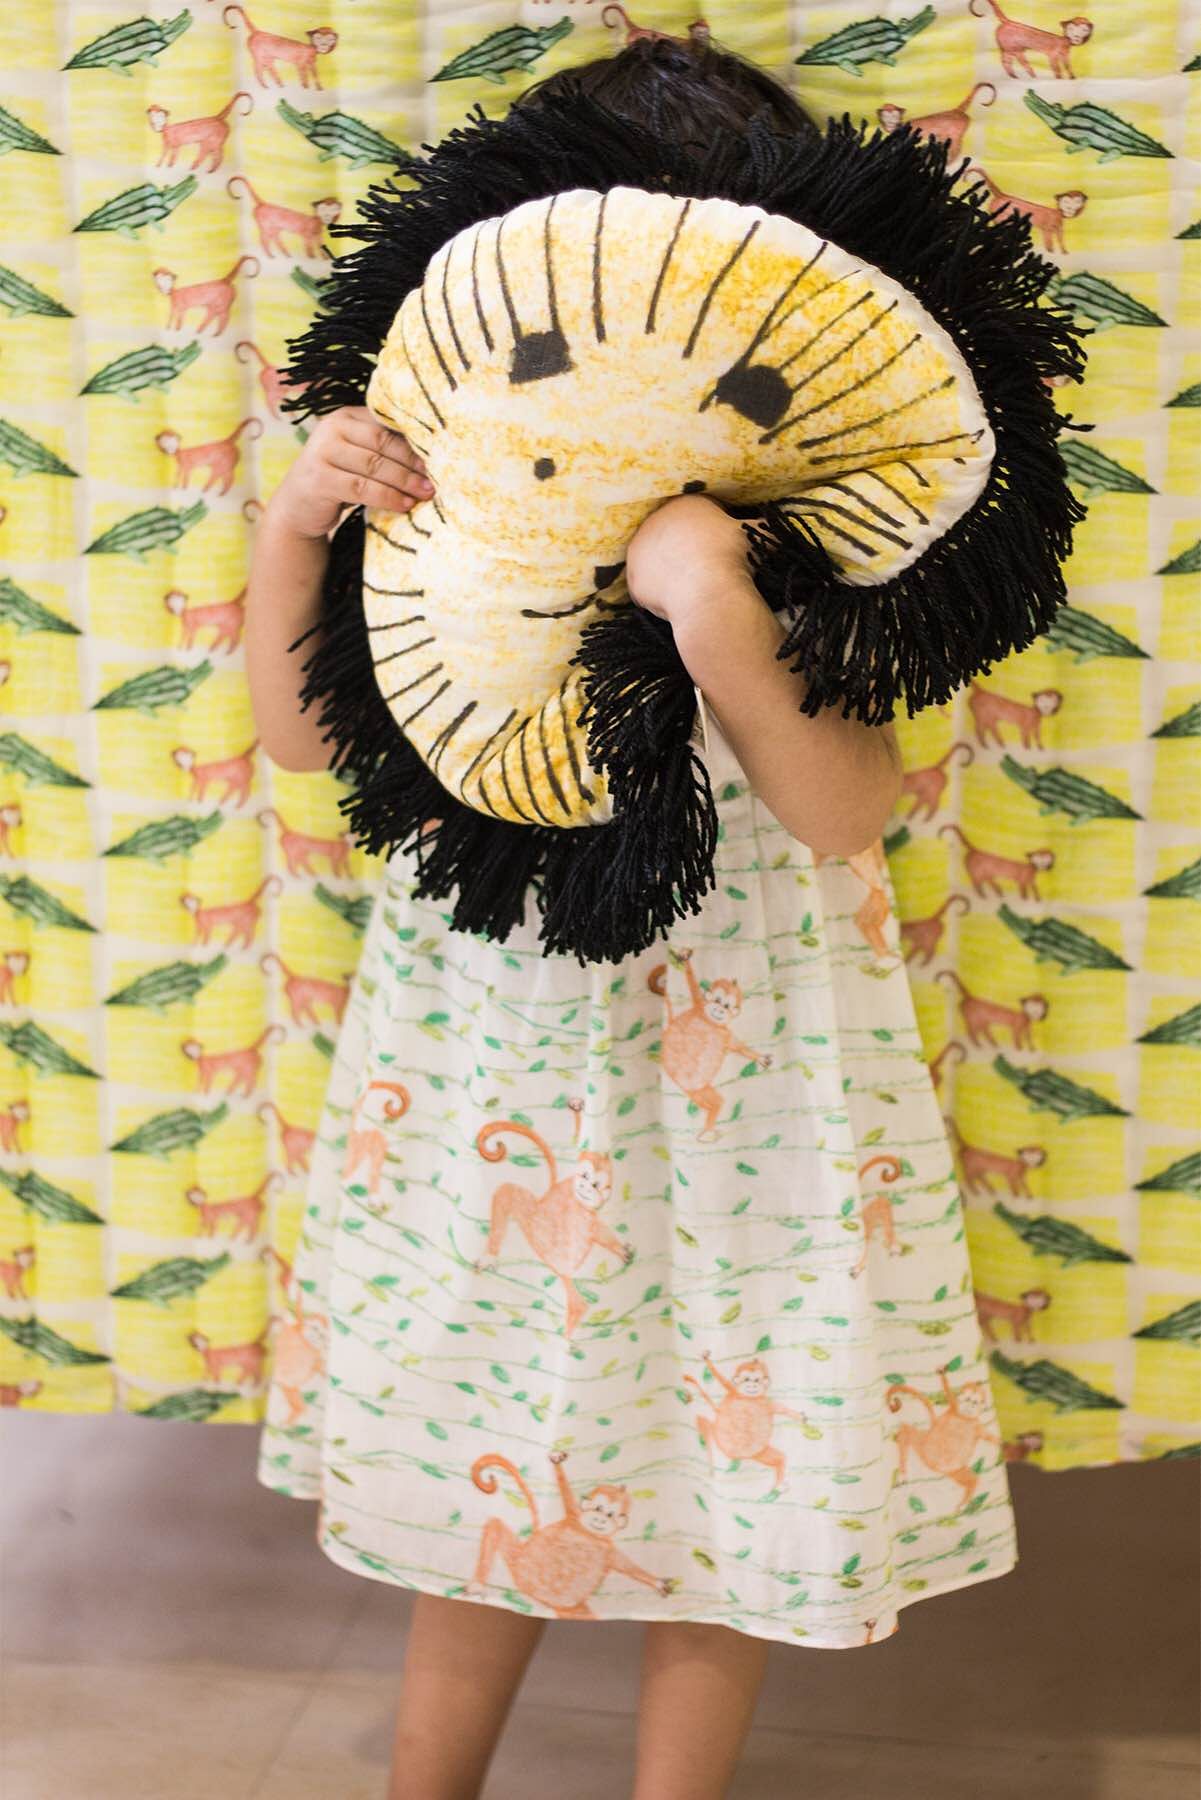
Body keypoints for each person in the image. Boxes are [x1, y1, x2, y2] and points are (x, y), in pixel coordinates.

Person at [246, 31, 1019, 1800]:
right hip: (497, 1049)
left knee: (736, 1451)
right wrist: (299, 527)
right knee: (486, 1435)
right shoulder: (450, 491)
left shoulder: (807, 520)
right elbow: (304, 740)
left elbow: (844, 811)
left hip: (748, 1072)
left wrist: (718, 607)